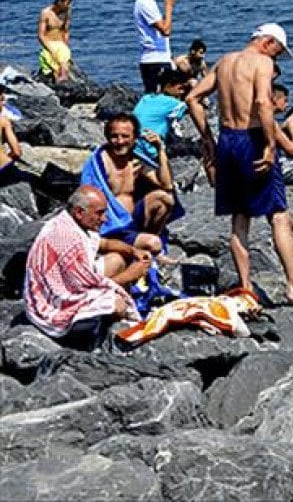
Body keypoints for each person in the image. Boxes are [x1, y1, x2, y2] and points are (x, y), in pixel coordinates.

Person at [186, 22, 293, 308]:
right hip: (253, 138)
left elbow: (193, 98)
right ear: (268, 43)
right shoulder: (262, 62)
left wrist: (207, 139)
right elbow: (262, 101)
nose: (276, 58)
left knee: (239, 218)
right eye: (278, 51)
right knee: (279, 215)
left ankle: (246, 288)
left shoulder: (225, 61)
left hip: (227, 139)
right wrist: (271, 146)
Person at [23, 185, 150, 350]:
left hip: (71, 284)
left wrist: (133, 251)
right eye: (99, 213)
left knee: (116, 260)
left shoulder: (73, 222)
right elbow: (78, 291)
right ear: (79, 212)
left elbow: (103, 243)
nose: (105, 219)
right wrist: (130, 275)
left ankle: (118, 319)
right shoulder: (68, 238)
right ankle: (104, 340)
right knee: (117, 304)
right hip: (53, 304)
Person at [80, 113, 174, 256]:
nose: (119, 141)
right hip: (109, 226)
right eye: (114, 136)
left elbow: (167, 185)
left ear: (135, 138)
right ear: (107, 137)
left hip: (133, 221)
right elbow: (86, 198)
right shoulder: (99, 163)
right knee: (153, 244)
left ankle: (147, 237)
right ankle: (144, 246)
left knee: (164, 198)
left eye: (125, 136)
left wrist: (160, 149)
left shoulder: (137, 162)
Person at [131, 69, 191, 165]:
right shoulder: (173, 103)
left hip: (133, 145)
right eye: (180, 88)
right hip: (150, 149)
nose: (182, 92)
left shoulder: (146, 98)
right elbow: (193, 103)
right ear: (167, 87)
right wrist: (195, 88)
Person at [134, 0, 177, 94]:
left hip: (160, 58)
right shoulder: (145, 3)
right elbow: (166, 30)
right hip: (153, 60)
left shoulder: (150, 3)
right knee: (157, 98)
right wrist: (169, 7)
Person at [37, 0, 73, 83]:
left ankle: (63, 77)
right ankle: (59, 79)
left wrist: (66, 46)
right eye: (67, 3)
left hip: (60, 44)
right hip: (49, 43)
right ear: (59, 1)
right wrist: (50, 49)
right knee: (53, 60)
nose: (69, 6)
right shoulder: (46, 13)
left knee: (63, 56)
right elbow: (41, 35)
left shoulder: (67, 12)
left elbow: (65, 31)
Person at [0, 88, 33, 188]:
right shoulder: (3, 121)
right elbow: (17, 152)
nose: (4, 102)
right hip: (4, 168)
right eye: (2, 99)